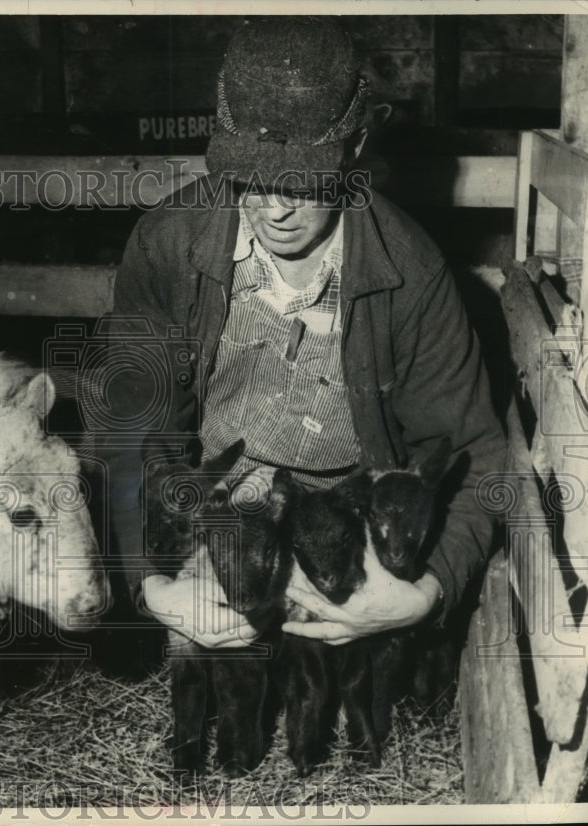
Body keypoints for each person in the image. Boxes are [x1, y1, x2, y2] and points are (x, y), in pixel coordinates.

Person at [95, 17, 505, 650]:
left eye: (303, 182)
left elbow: (474, 451)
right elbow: (128, 424)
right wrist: (152, 580)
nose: (275, 209)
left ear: (357, 147)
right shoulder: (169, 243)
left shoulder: (411, 271)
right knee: (196, 658)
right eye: (249, 179)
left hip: (342, 522)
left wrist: (422, 594)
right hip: (216, 513)